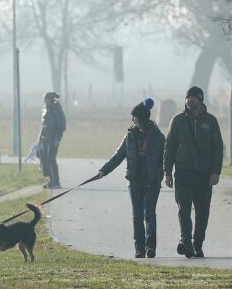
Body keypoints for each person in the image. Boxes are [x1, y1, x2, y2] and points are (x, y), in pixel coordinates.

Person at [94, 98, 165, 258]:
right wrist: (103, 171)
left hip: (152, 182)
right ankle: (139, 248)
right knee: (137, 216)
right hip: (134, 181)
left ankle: (150, 247)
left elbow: (165, 159)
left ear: (142, 119)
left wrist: (163, 175)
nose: (132, 120)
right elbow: (118, 156)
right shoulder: (130, 136)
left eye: (135, 118)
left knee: (150, 214)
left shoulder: (158, 137)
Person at [164, 86, 223, 258]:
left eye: (194, 98)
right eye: (188, 98)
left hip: (204, 175)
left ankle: (197, 244)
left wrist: (216, 172)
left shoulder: (211, 121)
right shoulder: (177, 121)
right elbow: (169, 147)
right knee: (183, 209)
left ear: (201, 100)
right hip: (183, 172)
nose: (190, 101)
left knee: (202, 212)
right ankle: (186, 241)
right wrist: (167, 172)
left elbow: (218, 149)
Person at [38, 91, 66, 189]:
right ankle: (51, 181)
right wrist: (39, 138)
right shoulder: (47, 110)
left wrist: (57, 139)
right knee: (45, 158)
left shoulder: (56, 110)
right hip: (45, 139)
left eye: (47, 99)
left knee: (51, 158)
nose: (45, 101)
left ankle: (56, 182)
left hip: (53, 139)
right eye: (45, 99)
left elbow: (61, 126)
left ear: (51, 99)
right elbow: (43, 126)